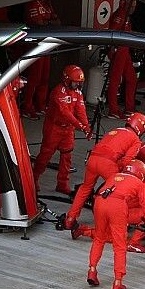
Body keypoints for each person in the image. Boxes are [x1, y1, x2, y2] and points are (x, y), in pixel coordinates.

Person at [63, 112, 145, 230]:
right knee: (119, 191)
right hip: (107, 163)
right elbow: (127, 160)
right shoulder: (136, 140)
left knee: (85, 188)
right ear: (140, 129)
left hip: (92, 159)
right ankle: (117, 220)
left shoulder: (115, 130)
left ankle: (70, 218)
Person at [87, 160, 145, 289]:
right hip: (117, 206)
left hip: (99, 202)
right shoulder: (139, 183)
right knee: (120, 246)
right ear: (141, 174)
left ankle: (92, 270)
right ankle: (118, 283)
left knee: (99, 239)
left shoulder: (114, 176)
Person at [32, 65, 91, 195]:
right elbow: (65, 112)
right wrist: (79, 125)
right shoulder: (58, 92)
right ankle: (33, 179)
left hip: (68, 129)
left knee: (67, 157)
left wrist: (86, 127)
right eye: (75, 82)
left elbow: (81, 111)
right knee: (45, 155)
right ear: (67, 79)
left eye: (79, 83)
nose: (77, 85)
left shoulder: (78, 93)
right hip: (54, 127)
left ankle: (62, 184)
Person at [20, 0, 60, 119]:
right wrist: (49, 22)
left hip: (46, 43)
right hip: (35, 44)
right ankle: (27, 107)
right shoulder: (32, 2)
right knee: (34, 78)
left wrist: (48, 22)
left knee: (44, 77)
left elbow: (57, 21)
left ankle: (40, 106)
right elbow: (37, 24)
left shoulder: (47, 3)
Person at [107, 0, 139, 119]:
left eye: (135, 6)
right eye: (132, 6)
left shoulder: (127, 17)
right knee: (115, 80)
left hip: (125, 50)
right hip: (118, 50)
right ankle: (113, 110)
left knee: (131, 78)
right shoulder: (120, 15)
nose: (133, 9)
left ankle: (129, 108)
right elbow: (112, 33)